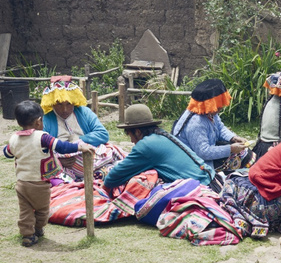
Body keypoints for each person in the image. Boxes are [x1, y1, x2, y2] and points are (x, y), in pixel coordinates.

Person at [3, 100, 94, 247]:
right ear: (39, 121)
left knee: (25, 210)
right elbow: (62, 147)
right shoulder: (43, 137)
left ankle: (27, 235)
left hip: (21, 183)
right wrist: (79, 146)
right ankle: (38, 228)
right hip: (40, 184)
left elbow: (7, 153)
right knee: (42, 210)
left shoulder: (14, 138)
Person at [103, 104, 215, 193]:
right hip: (209, 177)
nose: (131, 141)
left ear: (137, 132)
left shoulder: (146, 145)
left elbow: (111, 179)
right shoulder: (162, 135)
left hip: (199, 186)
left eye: (130, 135)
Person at [40, 76, 123, 181]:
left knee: (112, 152)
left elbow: (103, 134)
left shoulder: (84, 112)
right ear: (52, 103)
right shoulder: (46, 119)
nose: (64, 109)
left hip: (91, 155)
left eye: (68, 104)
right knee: (55, 178)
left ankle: (95, 175)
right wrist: (58, 161)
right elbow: (41, 147)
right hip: (65, 164)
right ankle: (91, 177)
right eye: (59, 104)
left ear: (74, 100)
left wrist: (78, 141)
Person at [172, 79, 255, 172]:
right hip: (196, 165)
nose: (221, 107)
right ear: (209, 104)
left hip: (206, 156)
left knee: (245, 153)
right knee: (242, 157)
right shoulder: (196, 123)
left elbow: (220, 128)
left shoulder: (209, 113)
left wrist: (233, 138)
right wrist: (230, 149)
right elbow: (203, 152)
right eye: (218, 105)